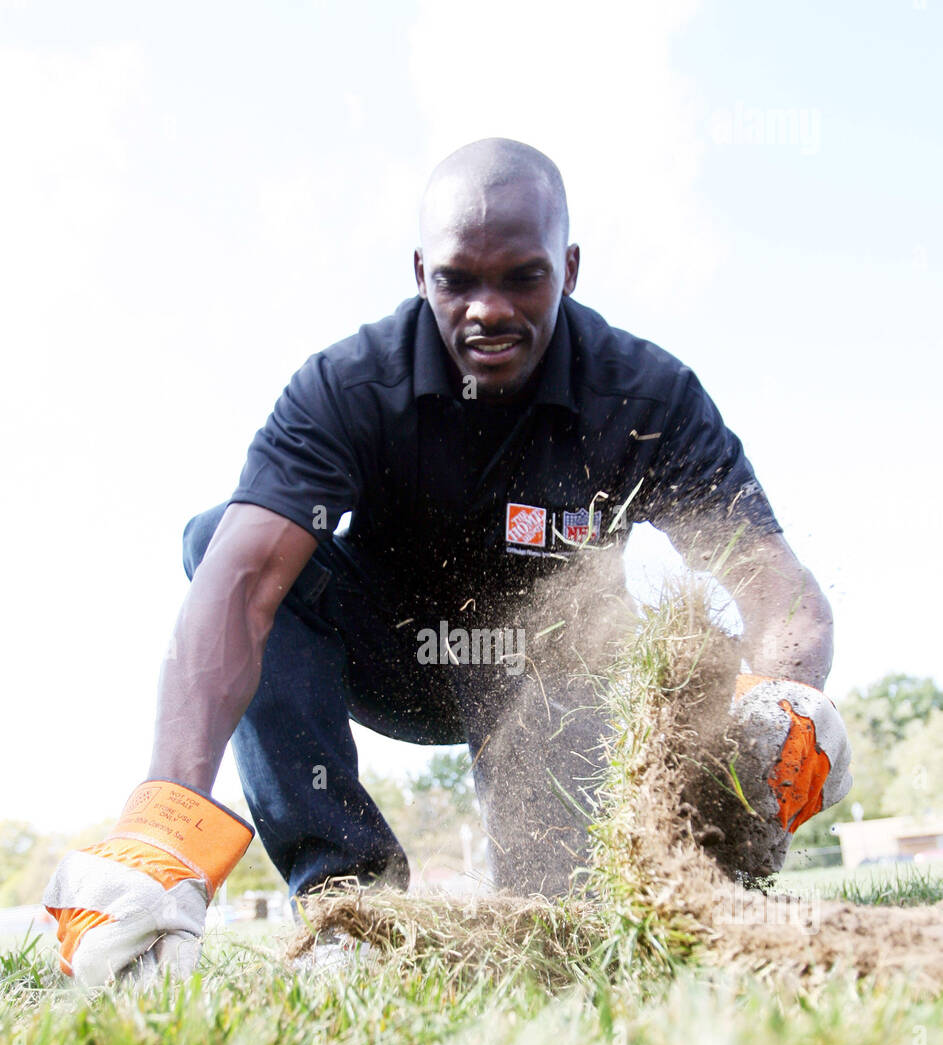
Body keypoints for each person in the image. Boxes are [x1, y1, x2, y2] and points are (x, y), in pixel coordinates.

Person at [44, 138, 851, 986]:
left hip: (548, 680)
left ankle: (604, 877)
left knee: (563, 928)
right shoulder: (349, 388)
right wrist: (163, 813)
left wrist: (788, 696)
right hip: (392, 655)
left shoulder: (644, 396)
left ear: (569, 268)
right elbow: (241, 584)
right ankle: (348, 906)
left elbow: (773, 585)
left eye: (522, 277)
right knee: (218, 540)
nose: (487, 310)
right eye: (457, 280)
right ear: (419, 269)